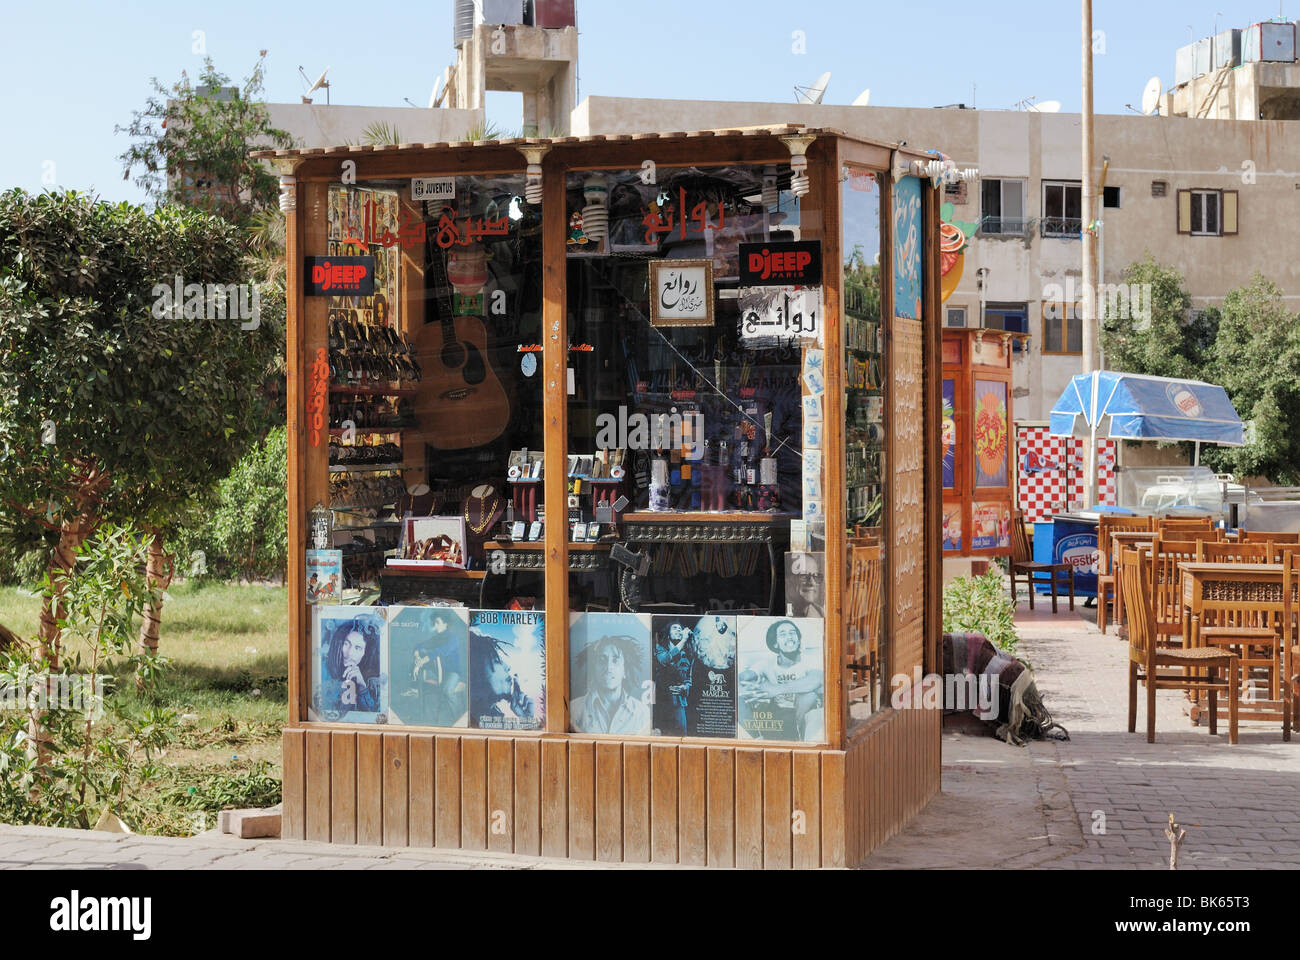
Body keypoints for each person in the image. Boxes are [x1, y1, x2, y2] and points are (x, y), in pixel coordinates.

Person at [738, 619, 824, 741]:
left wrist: (775, 689)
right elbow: (745, 676)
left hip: (804, 714)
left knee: (809, 696)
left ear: (798, 640)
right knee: (738, 698)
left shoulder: (810, 660)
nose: (789, 637)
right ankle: (758, 739)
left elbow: (817, 678)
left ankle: (801, 740)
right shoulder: (766, 663)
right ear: (775, 644)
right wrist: (744, 683)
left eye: (792, 633)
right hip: (777, 715)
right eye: (783, 634)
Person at [571, 635, 650, 735]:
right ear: (594, 669)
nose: (608, 668)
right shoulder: (574, 709)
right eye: (602, 660)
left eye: (615, 660)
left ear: (625, 671)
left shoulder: (642, 713)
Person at [470, 632, 535, 726]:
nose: (508, 667)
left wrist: (526, 718)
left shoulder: (492, 718)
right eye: (496, 661)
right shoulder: (464, 719)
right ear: (476, 669)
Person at [324, 618, 382, 714]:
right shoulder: (323, 669)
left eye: (358, 648)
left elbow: (372, 714)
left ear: (365, 653)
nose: (349, 653)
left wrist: (362, 687)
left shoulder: (373, 683)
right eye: (346, 644)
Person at [653, 622, 694, 735]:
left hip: (678, 701)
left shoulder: (688, 653)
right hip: (662, 701)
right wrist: (683, 640)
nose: (678, 630)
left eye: (680, 628)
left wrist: (685, 687)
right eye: (674, 628)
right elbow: (665, 659)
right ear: (668, 633)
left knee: (681, 735)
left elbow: (688, 678)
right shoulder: (659, 648)